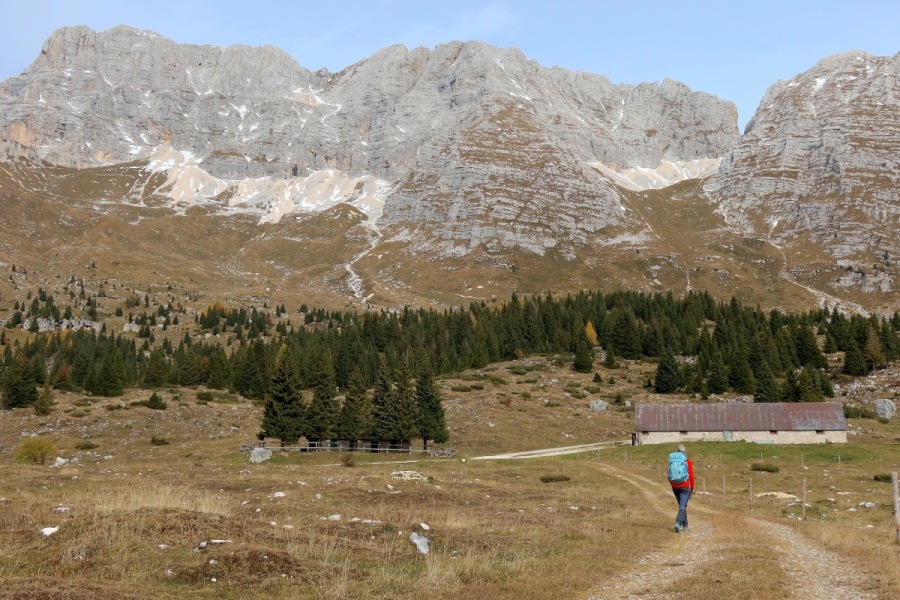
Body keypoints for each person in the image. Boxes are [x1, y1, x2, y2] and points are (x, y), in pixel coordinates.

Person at [669, 443, 695, 532]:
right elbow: (691, 476)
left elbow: (668, 473)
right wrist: (692, 488)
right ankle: (678, 523)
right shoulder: (687, 461)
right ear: (685, 452)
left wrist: (672, 484)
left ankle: (686, 526)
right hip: (684, 486)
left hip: (675, 486)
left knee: (682, 506)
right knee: (682, 506)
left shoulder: (672, 460)